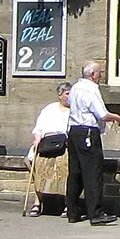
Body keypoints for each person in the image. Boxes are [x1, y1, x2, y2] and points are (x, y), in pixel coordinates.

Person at [65, 61, 120, 225]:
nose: (101, 76)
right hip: (88, 132)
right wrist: (116, 117)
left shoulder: (75, 87)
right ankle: (96, 213)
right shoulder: (91, 89)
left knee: (75, 173)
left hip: (74, 131)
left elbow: (70, 104)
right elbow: (102, 114)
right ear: (92, 74)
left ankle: (73, 212)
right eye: (99, 73)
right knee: (92, 173)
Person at [24, 84, 71, 217]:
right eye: (67, 93)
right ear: (60, 95)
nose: (70, 96)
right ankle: (38, 202)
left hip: (64, 144)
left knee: (66, 167)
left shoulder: (75, 110)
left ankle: (68, 204)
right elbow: (39, 127)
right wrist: (37, 139)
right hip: (47, 142)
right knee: (36, 164)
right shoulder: (50, 109)